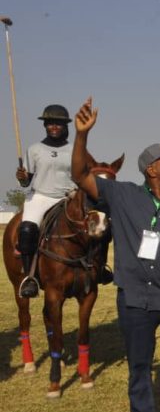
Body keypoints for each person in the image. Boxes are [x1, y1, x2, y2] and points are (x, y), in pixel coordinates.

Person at [71, 98, 160, 412]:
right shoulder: (123, 195)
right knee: (139, 369)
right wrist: (81, 136)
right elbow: (80, 176)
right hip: (134, 300)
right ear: (151, 170)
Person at [14, 104, 77, 298]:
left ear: (66, 126)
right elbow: (26, 182)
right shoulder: (34, 149)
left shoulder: (75, 149)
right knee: (26, 229)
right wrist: (22, 177)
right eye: (50, 123)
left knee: (95, 224)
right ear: (45, 125)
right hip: (41, 196)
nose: (54, 127)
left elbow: (81, 175)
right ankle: (29, 277)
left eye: (58, 123)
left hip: (68, 197)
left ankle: (98, 268)